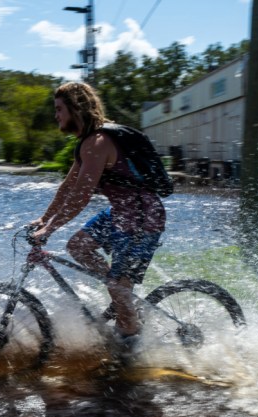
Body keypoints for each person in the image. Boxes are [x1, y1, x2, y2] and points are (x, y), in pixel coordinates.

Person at [31, 82, 166, 345]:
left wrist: (49, 230)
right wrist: (44, 218)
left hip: (142, 218)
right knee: (78, 246)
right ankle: (123, 299)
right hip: (119, 213)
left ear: (75, 108)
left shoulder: (99, 142)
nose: (56, 115)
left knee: (115, 286)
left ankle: (131, 343)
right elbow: (68, 186)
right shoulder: (86, 143)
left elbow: (81, 195)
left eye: (59, 109)